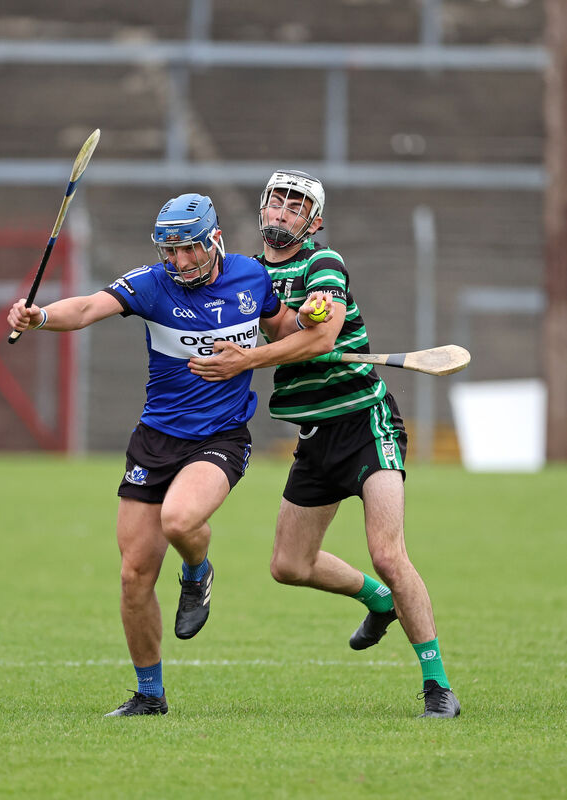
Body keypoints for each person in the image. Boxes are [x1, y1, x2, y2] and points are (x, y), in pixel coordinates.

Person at [7, 192, 333, 717]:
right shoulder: (152, 285)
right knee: (134, 577)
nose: (180, 262)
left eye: (190, 250)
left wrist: (311, 316)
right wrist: (40, 315)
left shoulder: (251, 277)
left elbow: (283, 330)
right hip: (155, 440)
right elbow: (89, 306)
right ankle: (149, 695)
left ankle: (197, 572)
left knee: (180, 520)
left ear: (216, 241)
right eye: (170, 250)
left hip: (221, 438)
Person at [188, 170, 460, 718]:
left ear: (314, 221)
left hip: (366, 423)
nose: (284, 212)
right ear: (263, 210)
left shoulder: (324, 263)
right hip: (313, 436)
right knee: (289, 565)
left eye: (297, 206)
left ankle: (437, 685)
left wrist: (256, 353)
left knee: (387, 553)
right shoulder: (248, 276)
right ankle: (376, 601)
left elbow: (322, 337)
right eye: (277, 202)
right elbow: (259, 324)